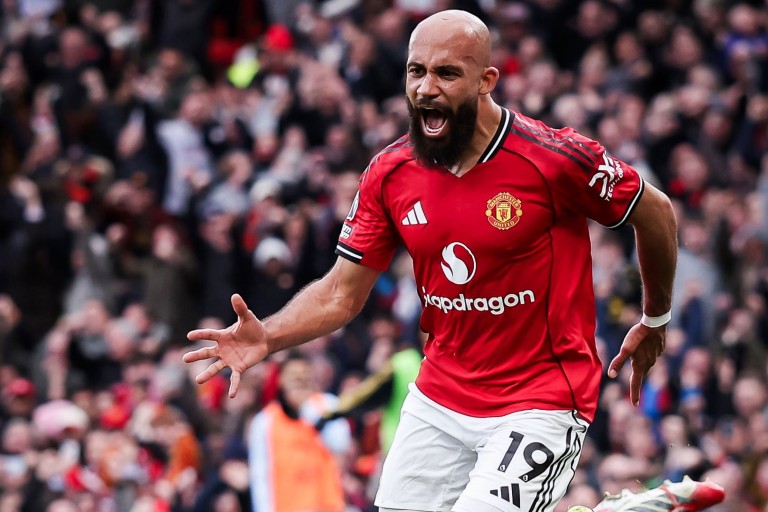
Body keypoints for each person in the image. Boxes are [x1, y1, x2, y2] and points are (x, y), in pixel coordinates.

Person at [184, 9, 679, 512]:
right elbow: (340, 293)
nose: (425, 88)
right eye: (416, 71)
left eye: (446, 73)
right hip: (442, 394)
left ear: (486, 81)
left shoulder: (551, 158)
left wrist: (655, 317)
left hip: (542, 397)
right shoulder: (390, 172)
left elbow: (656, 212)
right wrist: (268, 334)